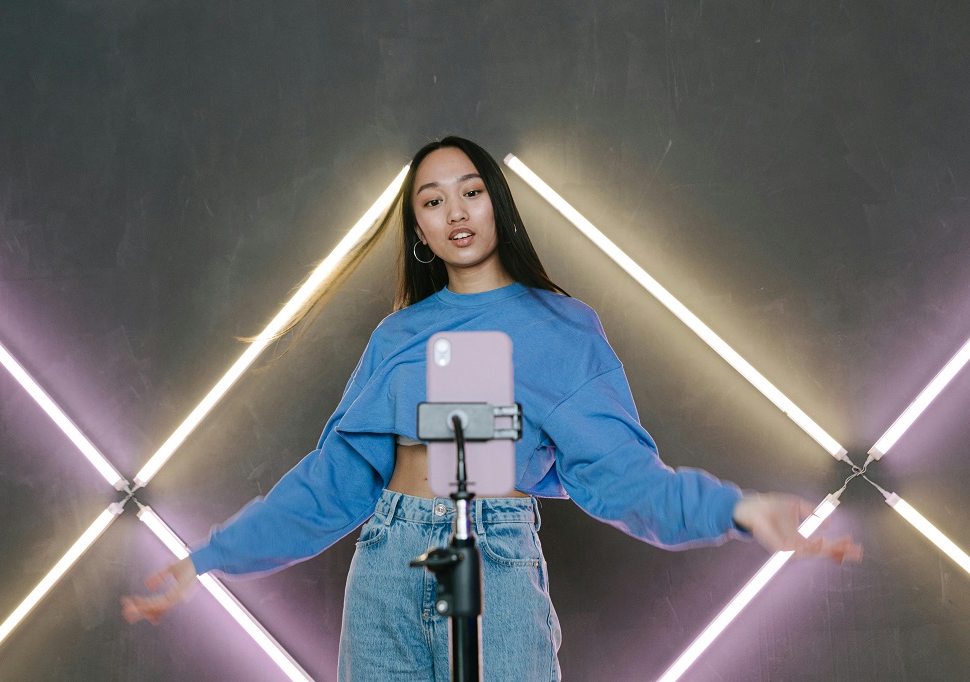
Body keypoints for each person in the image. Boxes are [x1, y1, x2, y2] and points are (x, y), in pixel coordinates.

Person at [123, 137, 861, 681]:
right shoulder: (398, 335)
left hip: (494, 558)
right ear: (419, 230)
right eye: (432, 201)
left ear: (497, 205)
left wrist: (737, 511)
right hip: (388, 558)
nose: (455, 212)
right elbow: (333, 483)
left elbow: (626, 480)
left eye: (470, 191)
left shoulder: (562, 328)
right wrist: (208, 557)